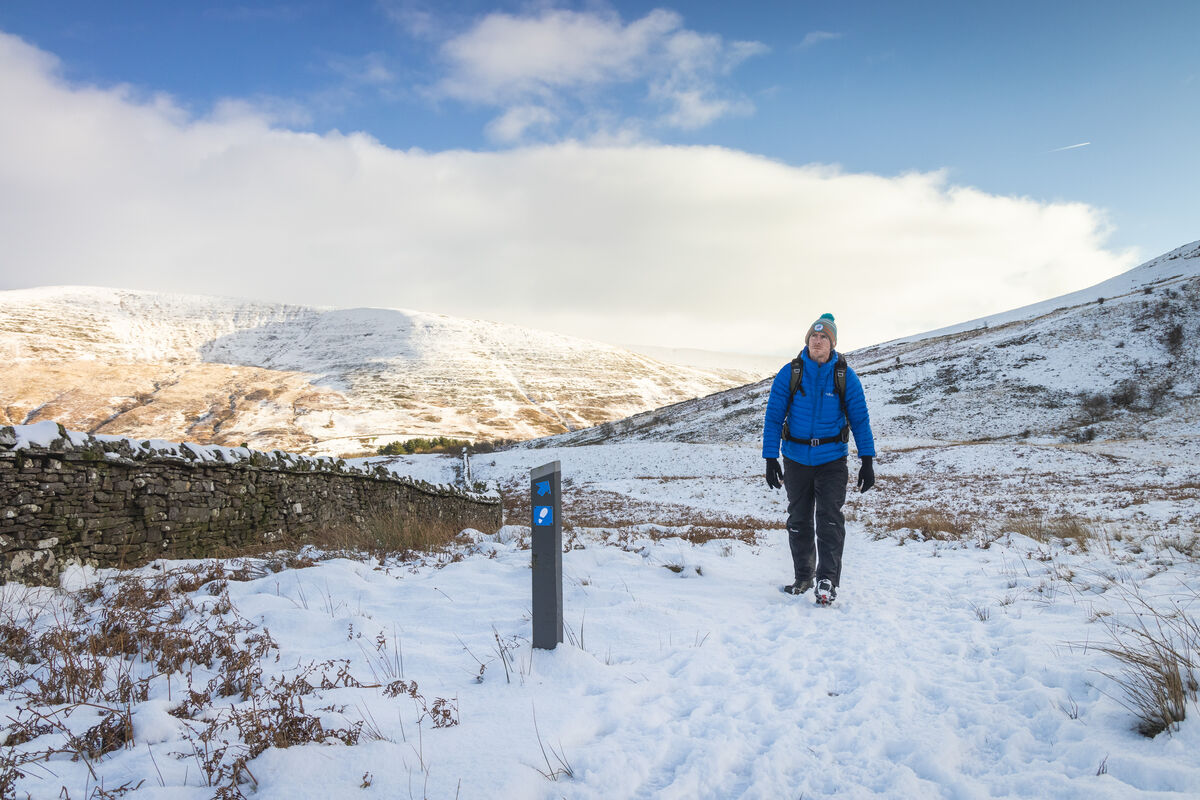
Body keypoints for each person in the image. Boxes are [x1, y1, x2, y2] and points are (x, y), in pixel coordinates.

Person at [762, 313, 875, 605]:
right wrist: (770, 457)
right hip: (796, 459)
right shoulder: (791, 372)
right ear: (807, 340)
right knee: (798, 520)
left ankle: (826, 580)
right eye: (813, 335)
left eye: (823, 336)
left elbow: (860, 419)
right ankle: (803, 577)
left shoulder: (844, 375)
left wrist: (867, 460)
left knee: (829, 520)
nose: (817, 340)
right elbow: (774, 417)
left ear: (833, 343)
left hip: (832, 460)